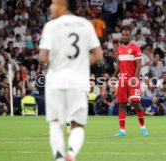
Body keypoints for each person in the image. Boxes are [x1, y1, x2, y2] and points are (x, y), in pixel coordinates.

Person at [38, 0, 103, 161]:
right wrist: (79, 64)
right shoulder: (86, 25)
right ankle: (71, 153)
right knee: (77, 125)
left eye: (54, 3)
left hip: (56, 81)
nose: (51, 7)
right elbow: (98, 55)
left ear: (64, 5)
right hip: (78, 82)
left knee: (54, 123)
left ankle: (59, 157)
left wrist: (59, 61)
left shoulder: (51, 26)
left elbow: (43, 57)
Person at [113, 27, 149, 137]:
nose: (124, 36)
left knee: (135, 103)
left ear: (130, 36)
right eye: (123, 35)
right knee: (122, 104)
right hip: (122, 79)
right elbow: (119, 64)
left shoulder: (135, 48)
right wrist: (114, 76)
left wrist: (135, 77)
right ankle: (122, 131)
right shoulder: (119, 49)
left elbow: (138, 64)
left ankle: (143, 128)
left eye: (126, 35)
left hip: (133, 79)